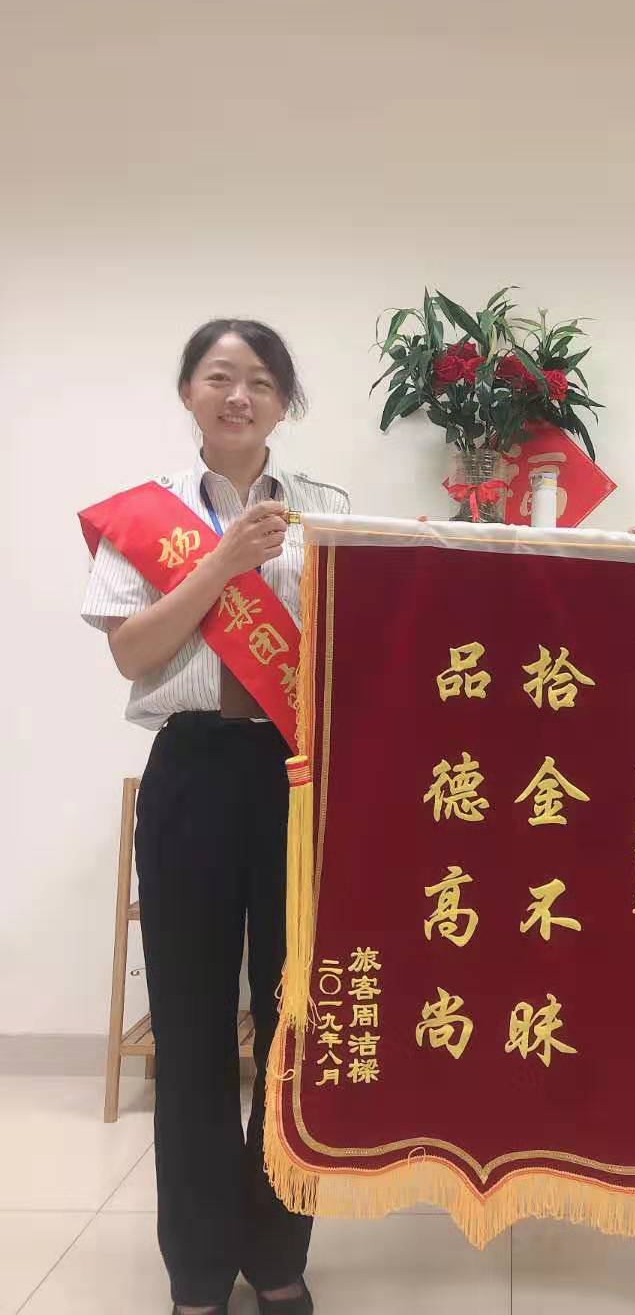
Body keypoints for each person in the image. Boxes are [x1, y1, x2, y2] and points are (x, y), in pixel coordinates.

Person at [80, 319, 350, 1315]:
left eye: (262, 381)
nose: (240, 396)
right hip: (190, 770)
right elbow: (133, 651)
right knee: (192, 1027)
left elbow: (359, 645)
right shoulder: (144, 516)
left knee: (295, 1021)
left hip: (297, 776)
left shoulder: (328, 512)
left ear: (285, 402)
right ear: (189, 391)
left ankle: (278, 1256)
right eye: (220, 377)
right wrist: (224, 563)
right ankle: (196, 1269)